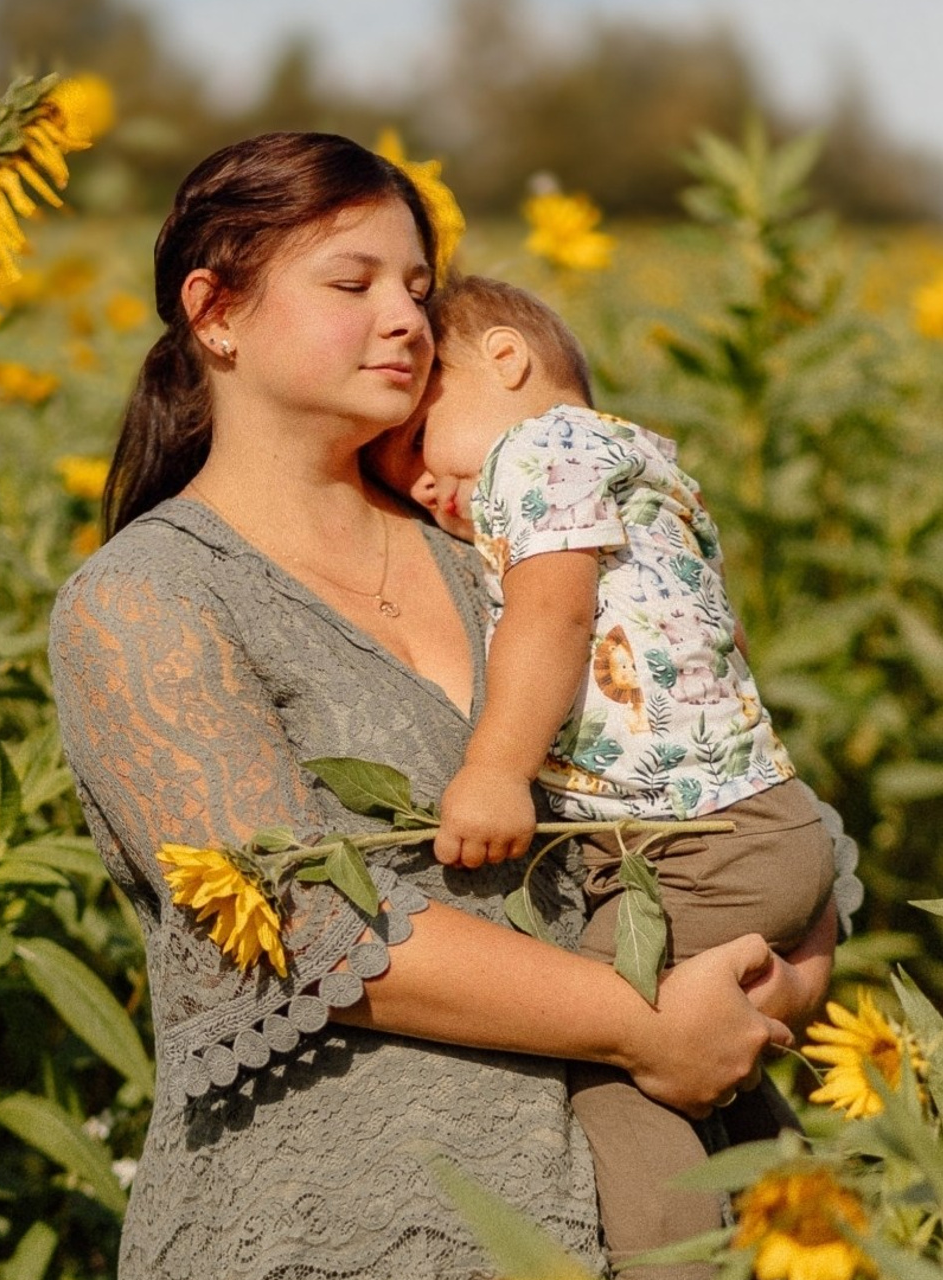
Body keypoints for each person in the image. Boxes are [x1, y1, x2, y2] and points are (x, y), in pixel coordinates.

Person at [48, 133, 837, 1280]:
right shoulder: (141, 602)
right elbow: (304, 931)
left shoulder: (500, 547)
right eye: (352, 282)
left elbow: (720, 770)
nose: (408, 315)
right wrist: (643, 1023)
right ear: (214, 311)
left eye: (417, 287)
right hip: (347, 1230)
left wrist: (782, 982)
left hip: (673, 1204)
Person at [365, 274, 838, 1277]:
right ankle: (803, 1231)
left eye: (414, 436)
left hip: (693, 844)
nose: (412, 478)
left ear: (503, 360)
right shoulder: (644, 461)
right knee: (708, 1070)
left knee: (615, 1060)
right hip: (755, 821)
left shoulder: (537, 449)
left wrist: (493, 769)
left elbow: (552, 616)